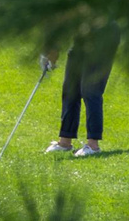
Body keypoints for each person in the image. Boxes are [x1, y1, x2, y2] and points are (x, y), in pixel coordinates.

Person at [46, 22, 123, 158]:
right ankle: (65, 142)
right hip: (82, 37)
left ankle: (93, 146)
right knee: (70, 90)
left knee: (90, 91)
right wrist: (52, 51)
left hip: (104, 37)